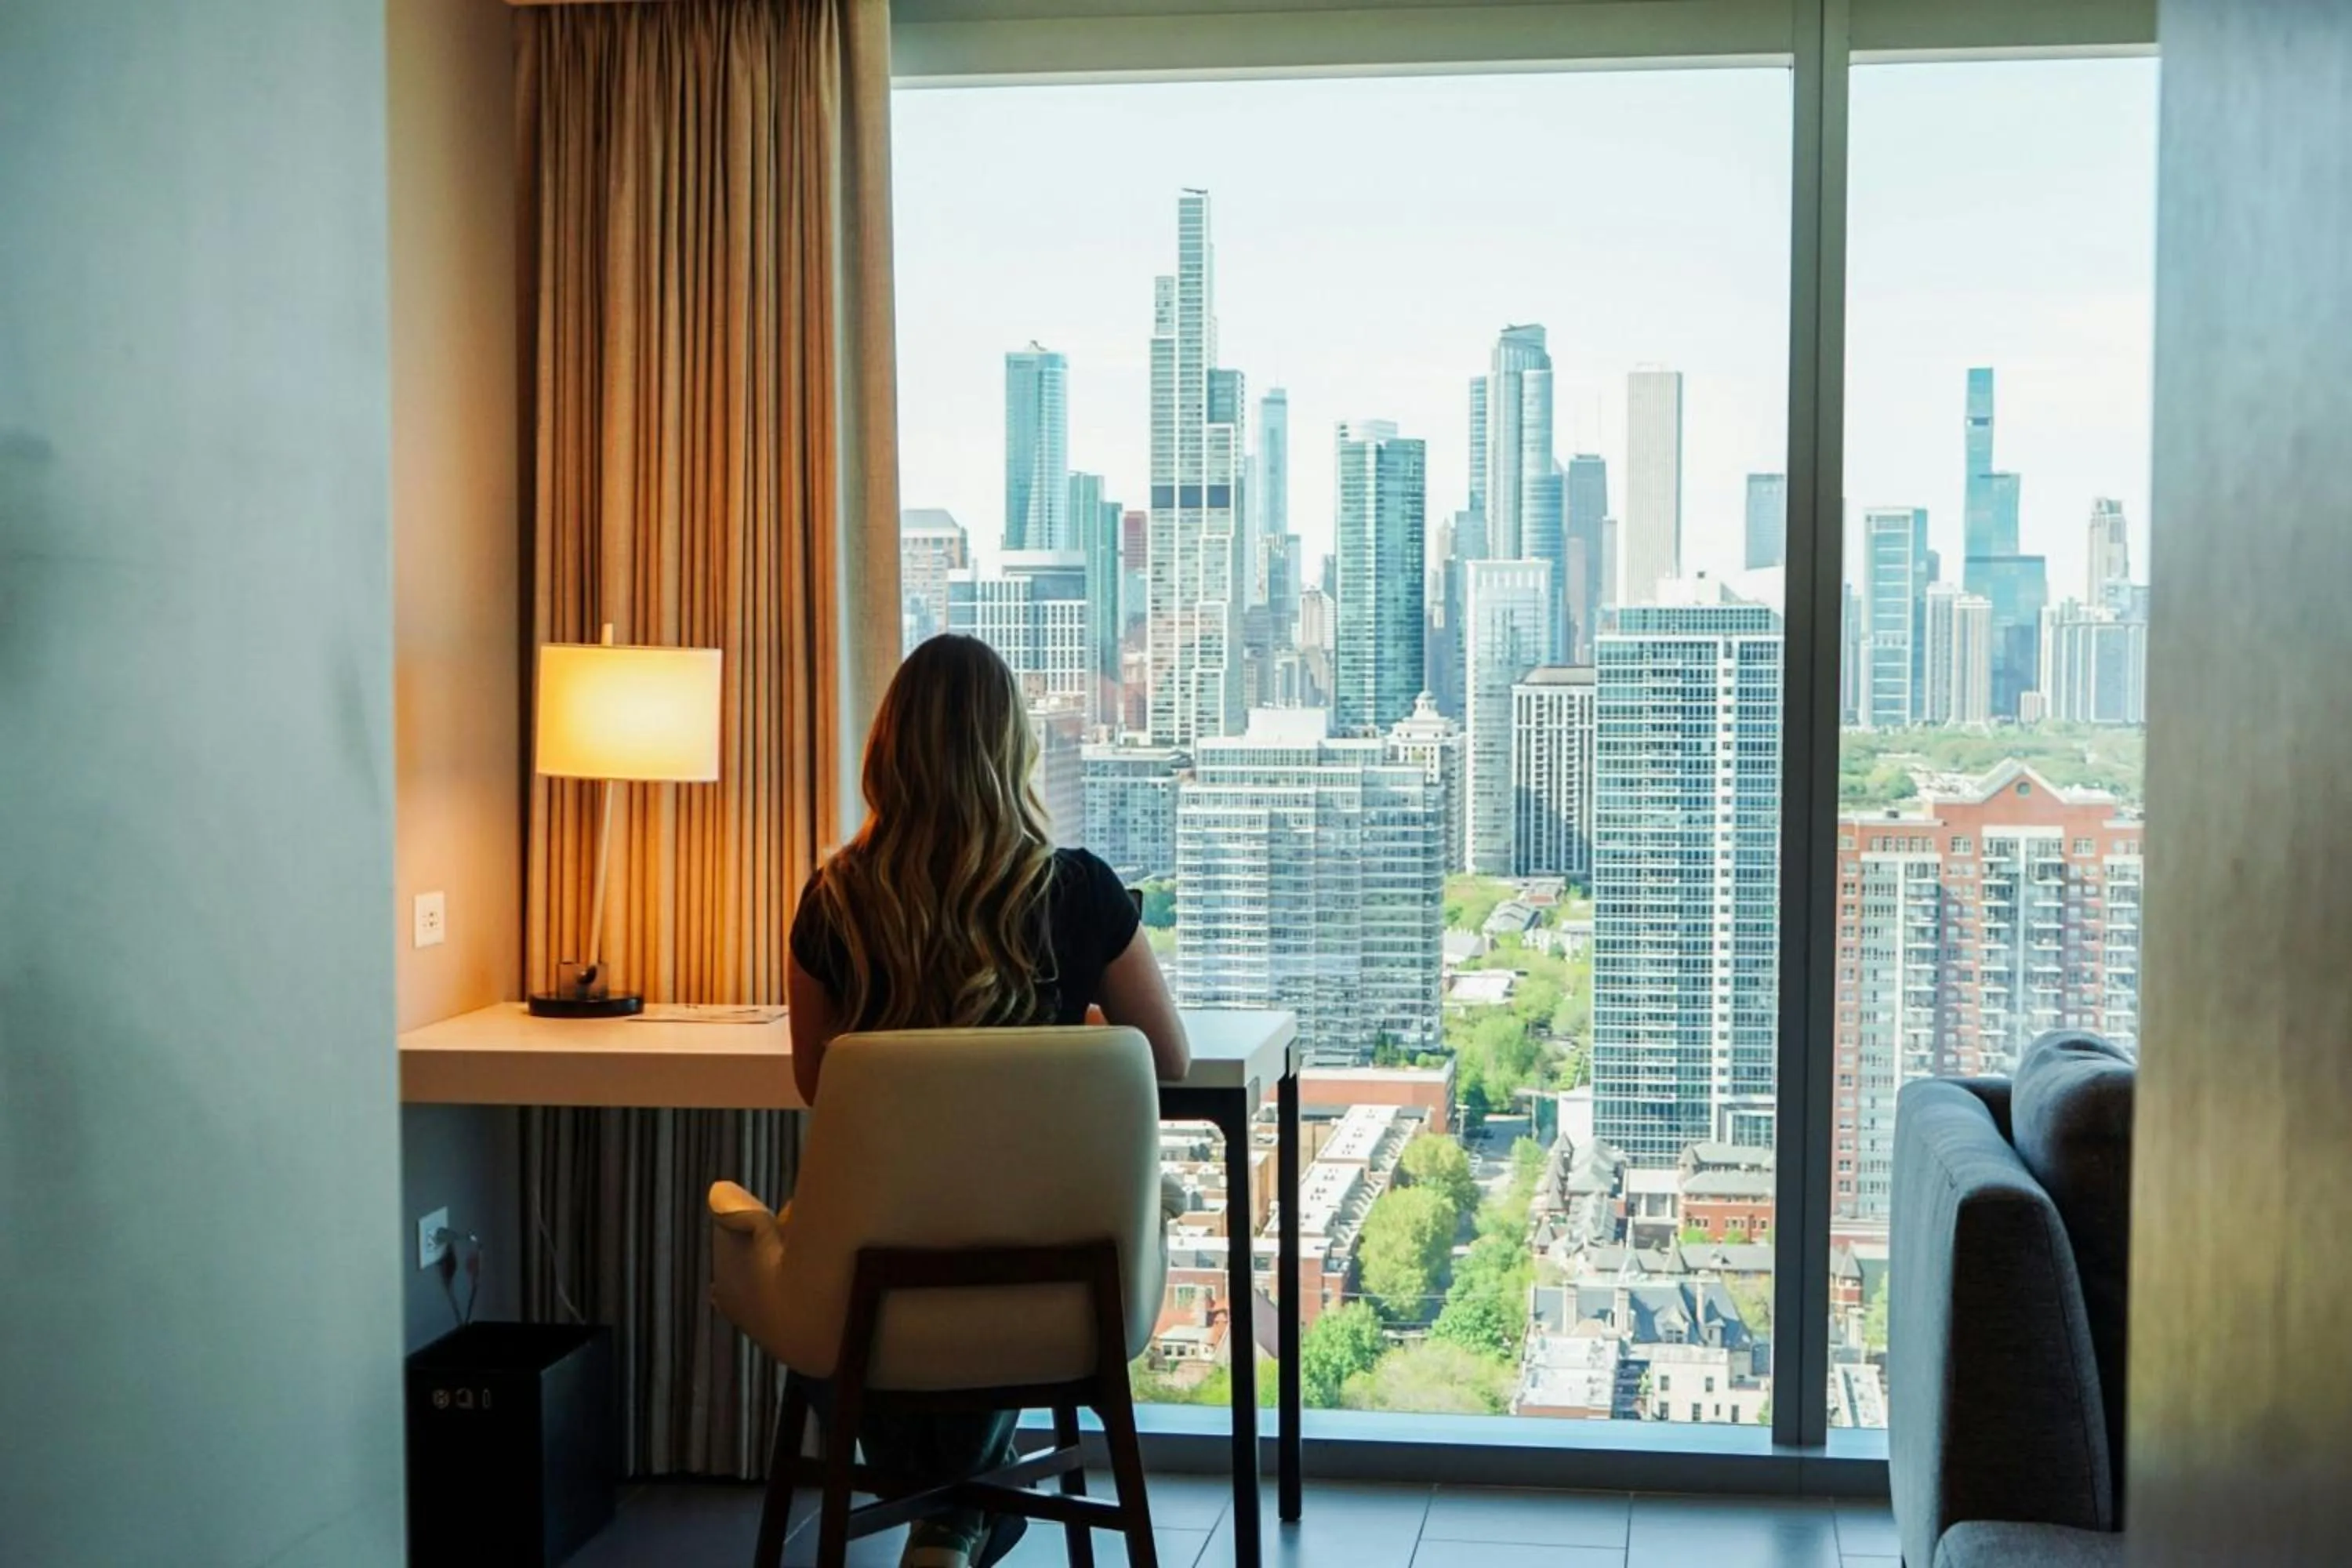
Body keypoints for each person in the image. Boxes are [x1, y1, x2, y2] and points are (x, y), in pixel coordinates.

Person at [787, 633, 1190, 1568]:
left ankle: (940, 1501)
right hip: (1052, 1291)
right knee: (1002, 1238)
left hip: (878, 1293)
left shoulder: (833, 900)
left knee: (827, 1296)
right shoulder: (1077, 891)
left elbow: (819, 1082)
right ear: (1012, 749)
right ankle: (962, 1506)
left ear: (888, 748)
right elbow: (1163, 1059)